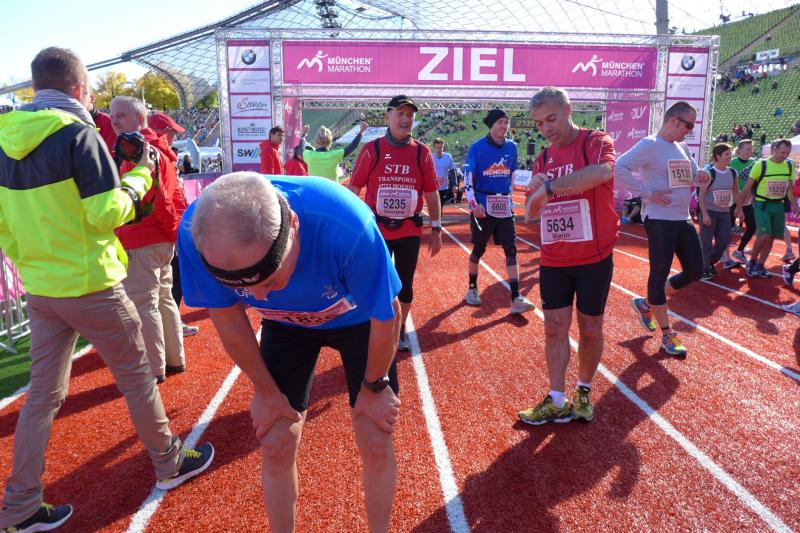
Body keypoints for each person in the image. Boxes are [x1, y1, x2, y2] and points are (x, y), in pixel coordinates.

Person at [0, 47, 212, 533]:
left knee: (42, 397)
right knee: (137, 378)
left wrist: (36, 265)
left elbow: (4, 226)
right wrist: (140, 176)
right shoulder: (79, 135)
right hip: (93, 283)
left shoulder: (4, 141)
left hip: (41, 289)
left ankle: (20, 504)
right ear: (79, 89)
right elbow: (104, 214)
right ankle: (168, 461)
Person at [179, 172, 402, 533]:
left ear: (293, 226)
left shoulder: (347, 225)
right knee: (276, 440)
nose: (261, 297)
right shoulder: (200, 233)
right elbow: (228, 318)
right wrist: (265, 392)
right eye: (244, 289)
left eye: (271, 280)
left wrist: (375, 386)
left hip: (359, 322)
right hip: (286, 327)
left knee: (375, 436)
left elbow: (387, 313)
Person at [516, 87, 618, 425]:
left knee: (590, 329)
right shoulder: (543, 158)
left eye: (551, 119)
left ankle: (584, 390)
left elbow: (601, 174)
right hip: (554, 257)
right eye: (539, 123)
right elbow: (531, 210)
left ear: (568, 109)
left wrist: (550, 187)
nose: (546, 128)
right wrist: (534, 190)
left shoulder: (595, 141)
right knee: (554, 329)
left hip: (594, 257)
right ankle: (557, 399)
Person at [616, 101, 710, 358]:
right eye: (688, 125)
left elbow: (693, 177)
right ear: (674, 120)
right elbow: (619, 167)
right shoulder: (650, 144)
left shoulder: (682, 147)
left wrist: (702, 176)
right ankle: (668, 334)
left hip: (682, 217)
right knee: (659, 275)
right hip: (659, 219)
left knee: (696, 270)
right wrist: (647, 192)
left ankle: (645, 303)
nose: (690, 131)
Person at [348, 95, 442, 352]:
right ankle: (370, 327)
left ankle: (399, 329)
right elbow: (354, 189)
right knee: (373, 282)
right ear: (387, 116)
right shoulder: (372, 150)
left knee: (405, 285)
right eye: (400, 114)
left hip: (409, 231)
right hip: (377, 231)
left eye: (409, 115)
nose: (405, 119)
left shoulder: (422, 152)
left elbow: (432, 192)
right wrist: (347, 226)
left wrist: (436, 228)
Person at [110, 96, 186, 383]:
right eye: (113, 115)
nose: (114, 120)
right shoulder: (159, 149)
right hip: (159, 238)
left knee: (145, 304)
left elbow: (157, 198)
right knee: (163, 299)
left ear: (140, 119)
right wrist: (172, 232)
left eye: (121, 115)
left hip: (142, 238)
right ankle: (174, 358)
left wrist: (169, 228)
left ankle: (155, 368)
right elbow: (172, 197)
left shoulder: (138, 150)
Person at [463, 108, 535, 314]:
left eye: (506, 122)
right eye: (500, 122)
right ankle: (472, 288)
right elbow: (467, 178)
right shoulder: (477, 147)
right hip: (482, 206)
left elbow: (511, 173)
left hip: (504, 206)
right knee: (478, 249)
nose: (504, 126)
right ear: (491, 125)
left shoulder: (512, 147)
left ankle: (516, 297)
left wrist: (509, 197)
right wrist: (473, 204)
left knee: (511, 249)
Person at [148, 112, 198, 337]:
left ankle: (170, 328)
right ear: (162, 131)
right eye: (171, 132)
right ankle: (166, 332)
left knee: (167, 286)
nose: (174, 137)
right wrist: (174, 230)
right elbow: (163, 198)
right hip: (162, 232)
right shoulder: (158, 154)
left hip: (164, 229)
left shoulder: (162, 155)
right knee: (166, 287)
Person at [740, 138, 799, 278]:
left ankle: (760, 264)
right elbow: (747, 187)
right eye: (782, 152)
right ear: (774, 150)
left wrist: (794, 203)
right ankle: (752, 262)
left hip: (779, 205)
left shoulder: (789, 165)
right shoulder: (761, 164)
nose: (785, 156)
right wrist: (739, 206)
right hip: (762, 204)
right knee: (764, 235)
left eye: (787, 153)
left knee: (771, 237)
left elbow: (788, 189)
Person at [698, 143, 743, 280]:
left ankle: (706, 262)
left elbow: (736, 191)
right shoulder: (710, 174)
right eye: (727, 154)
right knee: (706, 242)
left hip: (724, 212)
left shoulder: (733, 173)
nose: (730, 156)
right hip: (709, 211)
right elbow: (701, 195)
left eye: (730, 153)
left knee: (724, 240)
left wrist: (739, 207)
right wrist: (705, 214)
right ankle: (704, 268)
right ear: (718, 156)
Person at [730, 140, 758, 265]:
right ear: (739, 150)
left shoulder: (754, 163)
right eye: (747, 149)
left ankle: (739, 250)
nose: (750, 151)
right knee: (726, 228)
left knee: (752, 226)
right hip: (731, 200)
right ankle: (723, 254)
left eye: (751, 149)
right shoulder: (731, 162)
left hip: (746, 201)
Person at [432, 138, 456, 205]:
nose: (438, 150)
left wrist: (455, 184)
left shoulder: (448, 157)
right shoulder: (431, 157)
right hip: (433, 187)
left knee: (441, 206)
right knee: (435, 206)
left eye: (440, 148)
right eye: (436, 148)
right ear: (434, 148)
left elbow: (452, 171)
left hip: (444, 187)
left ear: (443, 147)